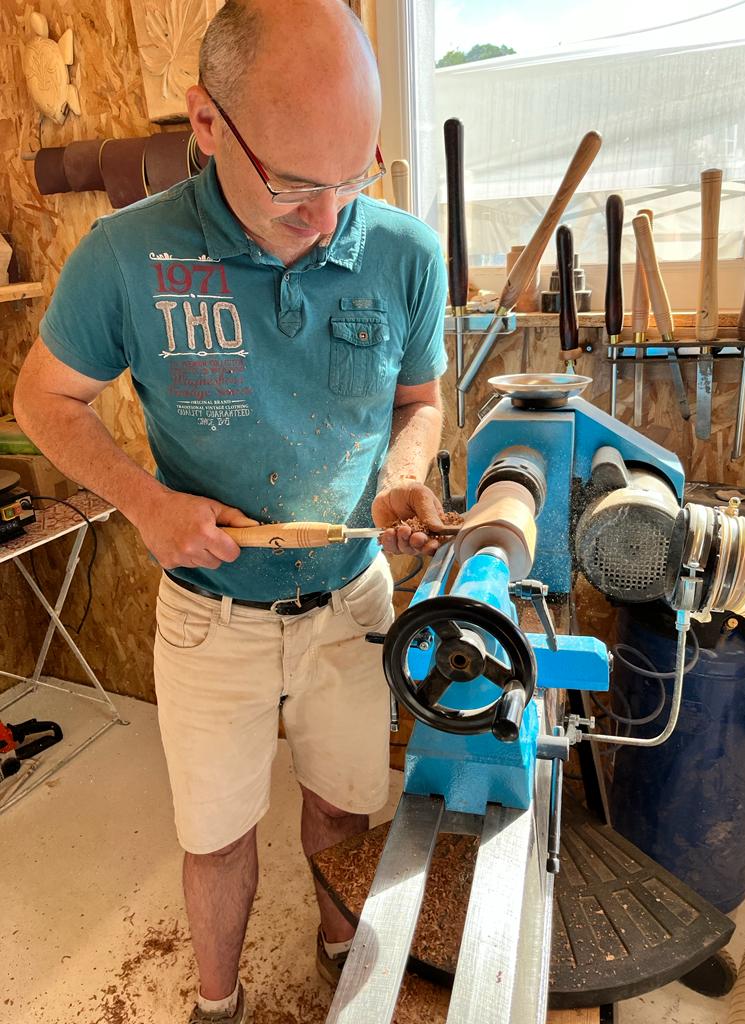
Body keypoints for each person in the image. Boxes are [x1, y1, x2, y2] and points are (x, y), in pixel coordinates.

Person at [13, 1, 448, 1021]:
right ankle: (219, 1004)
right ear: (207, 125)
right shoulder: (129, 257)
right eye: (296, 185)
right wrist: (147, 504)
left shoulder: (406, 254)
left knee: (343, 802)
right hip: (211, 614)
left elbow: (419, 403)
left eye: (355, 176)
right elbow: (43, 401)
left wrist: (404, 469)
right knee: (215, 834)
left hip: (350, 601)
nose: (330, 215)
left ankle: (345, 958)